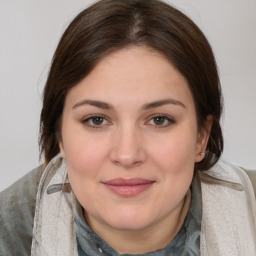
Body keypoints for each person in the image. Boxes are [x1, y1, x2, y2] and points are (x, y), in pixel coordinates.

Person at [0, 0, 256, 255]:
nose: (127, 155)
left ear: (202, 136)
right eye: (96, 120)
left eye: (159, 120)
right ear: (60, 136)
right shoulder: (9, 230)